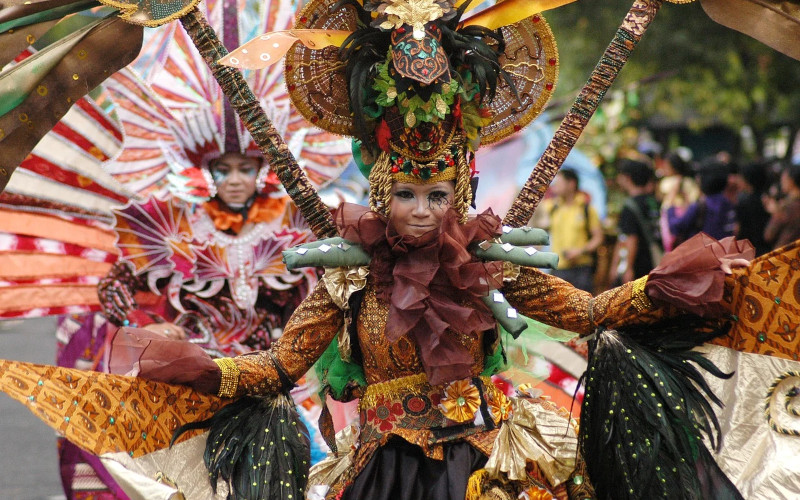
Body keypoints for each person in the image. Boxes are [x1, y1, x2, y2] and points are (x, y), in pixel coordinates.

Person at [541, 169, 604, 292]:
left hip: (581, 269)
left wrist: (580, 251)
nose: (555, 187)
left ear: (571, 184)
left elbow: (598, 238)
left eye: (559, 183)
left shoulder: (586, 209)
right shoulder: (551, 207)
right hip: (558, 268)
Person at [610, 159, 663, 284]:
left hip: (638, 266)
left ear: (627, 178)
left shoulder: (630, 206)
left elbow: (630, 239)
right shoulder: (654, 202)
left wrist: (627, 268)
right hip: (656, 261)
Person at [667, 159, 736, 243]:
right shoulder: (730, 204)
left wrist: (670, 207)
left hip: (703, 250)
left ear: (704, 179)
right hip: (725, 250)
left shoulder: (699, 206)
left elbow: (675, 228)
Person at [656, 150, 700, 251]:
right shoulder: (689, 182)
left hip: (671, 214)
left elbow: (661, 197)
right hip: (686, 215)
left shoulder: (666, 182)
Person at [734, 161, 771, 256]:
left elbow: (737, 229)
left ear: (747, 180)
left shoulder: (743, 202)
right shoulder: (768, 200)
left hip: (748, 252)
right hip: (766, 250)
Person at [763, 162, 800, 249]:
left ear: (791, 180)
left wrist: (776, 212)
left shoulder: (787, 207)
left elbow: (769, 235)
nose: (781, 181)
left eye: (784, 178)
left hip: (786, 254)